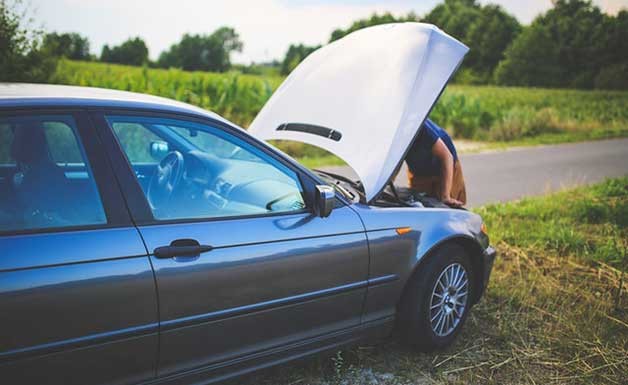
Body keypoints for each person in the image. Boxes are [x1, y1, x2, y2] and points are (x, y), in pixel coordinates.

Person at [405, 119, 466, 207]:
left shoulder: (419, 126)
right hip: (419, 172)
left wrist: (446, 196)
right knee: (417, 206)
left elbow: (447, 157)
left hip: (445, 167)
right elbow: (394, 162)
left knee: (446, 206)